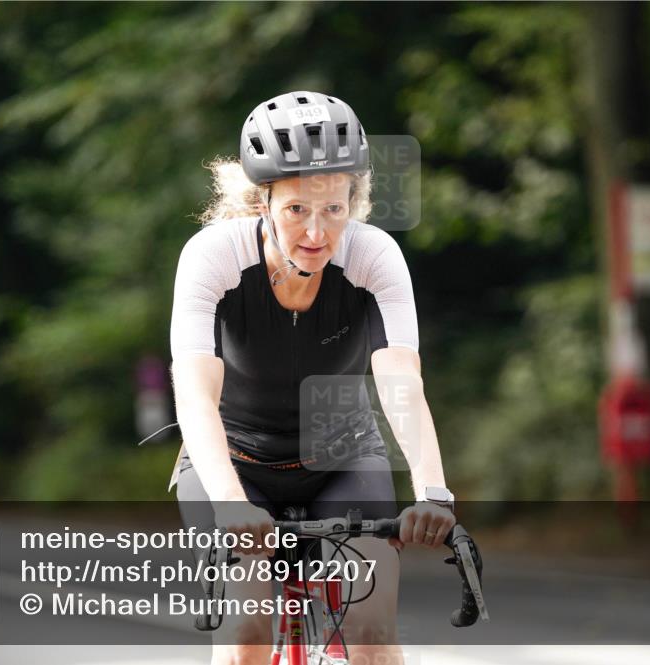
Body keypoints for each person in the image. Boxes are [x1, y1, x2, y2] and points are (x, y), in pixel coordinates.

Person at [169, 90, 455, 665]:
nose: (317, 232)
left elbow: (401, 382)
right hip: (234, 464)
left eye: (334, 209)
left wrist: (433, 493)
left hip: (344, 459)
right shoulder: (213, 258)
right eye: (297, 209)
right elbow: (196, 396)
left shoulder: (375, 258)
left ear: (356, 200)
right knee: (249, 628)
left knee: (374, 638)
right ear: (261, 202)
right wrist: (229, 504)